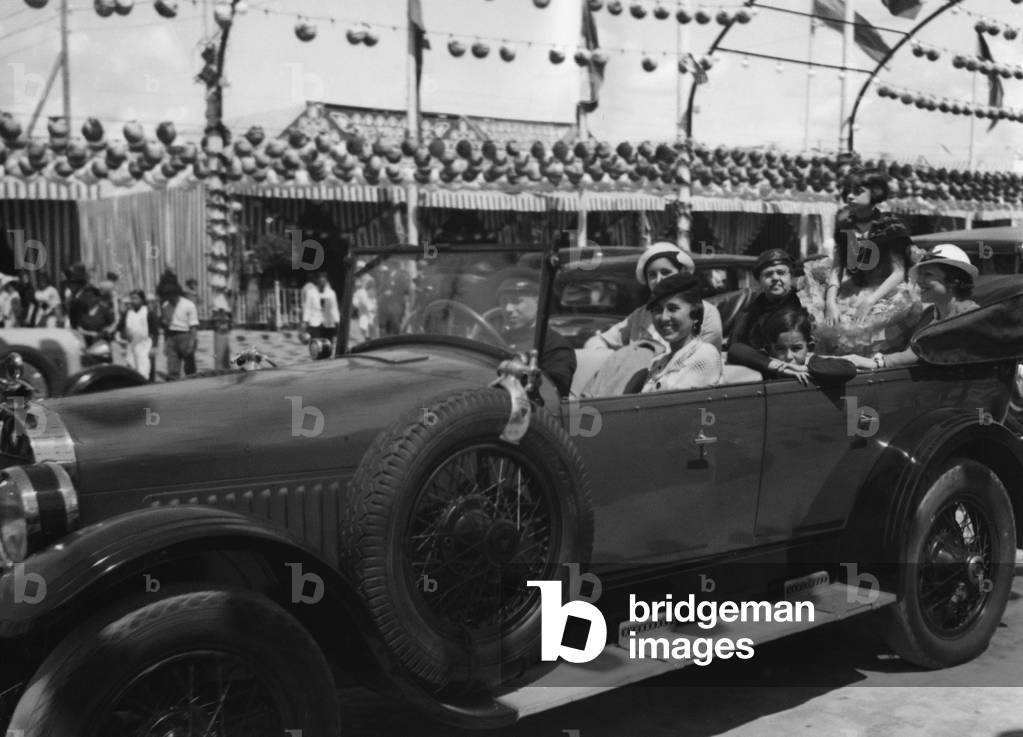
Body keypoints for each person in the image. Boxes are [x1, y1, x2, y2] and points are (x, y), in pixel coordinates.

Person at [803, 171, 922, 355]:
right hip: (852, 289)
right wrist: (830, 302)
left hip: (886, 291)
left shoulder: (891, 226)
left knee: (873, 340)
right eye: (849, 191)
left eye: (858, 191)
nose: (850, 196)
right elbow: (837, 267)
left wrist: (869, 300)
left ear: (875, 193)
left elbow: (899, 272)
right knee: (827, 325)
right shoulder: (845, 225)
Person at [838, 244, 980, 371]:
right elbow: (915, 350)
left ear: (954, 281)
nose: (919, 280)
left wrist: (878, 362)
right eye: (920, 274)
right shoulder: (930, 314)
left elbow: (924, 351)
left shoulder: (970, 316)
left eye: (928, 274)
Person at [585, 241, 724, 352]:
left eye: (666, 272)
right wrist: (615, 359)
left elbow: (702, 361)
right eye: (652, 275)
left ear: (681, 272)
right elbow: (598, 341)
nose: (659, 280)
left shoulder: (706, 313)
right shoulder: (640, 315)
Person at [495, 268, 576, 397]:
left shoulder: (555, 346)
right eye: (504, 302)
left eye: (516, 301)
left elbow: (553, 394)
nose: (508, 309)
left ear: (538, 302)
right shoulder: (495, 339)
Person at [640, 273, 722, 393]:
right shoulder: (659, 362)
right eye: (657, 310)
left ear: (695, 313)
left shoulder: (705, 356)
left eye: (673, 309)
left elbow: (668, 403)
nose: (664, 318)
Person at [729, 308, 856, 385]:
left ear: (809, 347)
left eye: (796, 349)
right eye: (780, 349)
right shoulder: (769, 362)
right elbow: (735, 349)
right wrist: (776, 367)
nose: (789, 357)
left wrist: (805, 369)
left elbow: (849, 369)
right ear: (769, 349)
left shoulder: (813, 363)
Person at [729, 248, 804, 352]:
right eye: (768, 274)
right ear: (759, 280)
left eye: (781, 272)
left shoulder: (806, 306)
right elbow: (735, 347)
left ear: (791, 276)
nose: (775, 278)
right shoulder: (749, 314)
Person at [116, 289, 160, 380]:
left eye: (136, 298)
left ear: (142, 299)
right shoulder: (127, 313)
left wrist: (154, 347)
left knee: (145, 371)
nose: (133, 301)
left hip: (145, 345)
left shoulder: (148, 312)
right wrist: (124, 333)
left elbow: (155, 331)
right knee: (132, 371)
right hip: (131, 346)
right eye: (132, 298)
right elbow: (120, 327)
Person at [161, 283, 199, 379]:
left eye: (170, 295)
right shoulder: (166, 306)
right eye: (166, 295)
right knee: (172, 367)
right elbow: (166, 326)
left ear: (177, 294)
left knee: (189, 368)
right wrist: (166, 343)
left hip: (185, 336)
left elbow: (193, 326)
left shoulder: (188, 305)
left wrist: (191, 344)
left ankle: (192, 387)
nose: (168, 297)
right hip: (171, 337)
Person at [301, 271, 341, 342]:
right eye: (320, 279)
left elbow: (334, 309)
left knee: (328, 345)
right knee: (317, 345)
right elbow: (308, 308)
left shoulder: (331, 293)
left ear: (326, 281)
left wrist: (337, 322)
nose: (322, 282)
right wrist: (305, 321)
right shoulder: (311, 292)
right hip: (315, 323)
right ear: (317, 280)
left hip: (328, 323)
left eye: (324, 279)